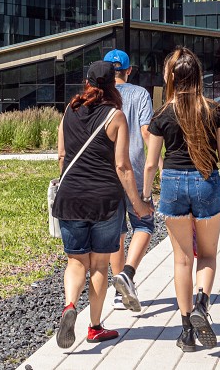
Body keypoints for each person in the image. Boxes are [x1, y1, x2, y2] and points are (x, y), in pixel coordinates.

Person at [52, 60, 154, 349]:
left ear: (87, 81)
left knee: (75, 261)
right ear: (113, 84)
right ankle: (95, 327)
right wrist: (138, 204)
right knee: (98, 264)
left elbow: (62, 156)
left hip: (71, 197)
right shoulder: (116, 117)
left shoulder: (68, 112)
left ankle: (69, 305)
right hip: (105, 200)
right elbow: (122, 166)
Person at [143, 47, 220, 353]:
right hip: (207, 183)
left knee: (182, 258)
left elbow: (151, 164)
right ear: (198, 76)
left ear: (171, 77)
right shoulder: (215, 111)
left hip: (172, 186)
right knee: (207, 255)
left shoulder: (161, 115)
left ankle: (186, 332)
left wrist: (145, 195)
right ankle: (202, 304)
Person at [104, 49, 154, 312]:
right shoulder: (140, 94)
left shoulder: (101, 95)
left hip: (106, 172)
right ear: (129, 70)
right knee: (145, 224)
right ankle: (127, 275)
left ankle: (117, 294)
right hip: (133, 169)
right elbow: (147, 134)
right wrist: (154, 166)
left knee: (116, 232)